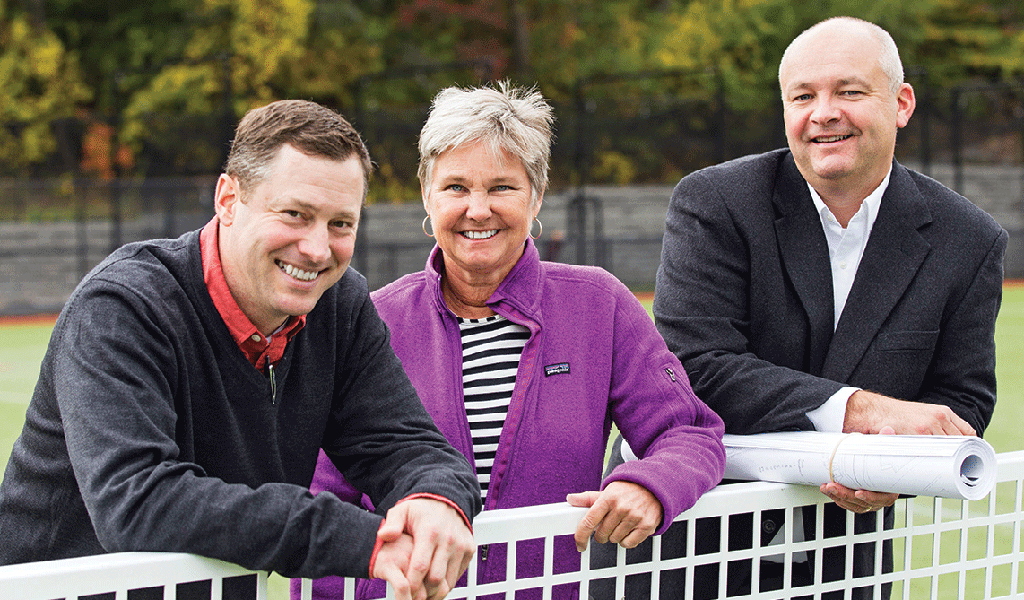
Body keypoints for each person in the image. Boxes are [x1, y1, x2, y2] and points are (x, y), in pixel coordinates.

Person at [0, 99, 482, 600]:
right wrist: (369, 542)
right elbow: (138, 503)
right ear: (228, 199)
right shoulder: (123, 307)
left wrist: (436, 499)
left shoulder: (339, 305)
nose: (318, 249)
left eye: (341, 224)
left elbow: (401, 444)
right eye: (296, 214)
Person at [606, 15, 1007, 599]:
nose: (824, 113)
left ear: (901, 103)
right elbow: (695, 365)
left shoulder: (968, 239)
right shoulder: (715, 202)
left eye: (849, 92)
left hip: (846, 559)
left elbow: (962, 400)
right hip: (688, 551)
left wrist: (897, 473)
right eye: (803, 96)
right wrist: (859, 412)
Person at [292, 82, 726, 600]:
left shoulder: (598, 305)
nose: (478, 209)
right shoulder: (374, 319)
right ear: (428, 196)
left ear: (536, 196)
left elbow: (689, 431)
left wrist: (650, 484)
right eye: (456, 187)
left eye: (501, 187)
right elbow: (326, 496)